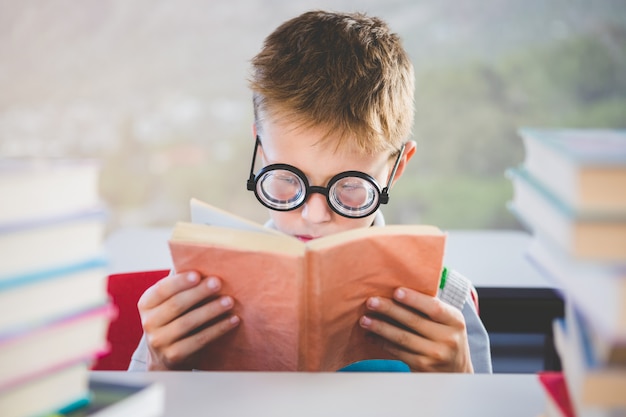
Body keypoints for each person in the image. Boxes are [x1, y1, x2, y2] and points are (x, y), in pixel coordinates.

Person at [129, 10, 492, 373]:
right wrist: (160, 368)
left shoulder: (447, 306)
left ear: (397, 168)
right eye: (287, 179)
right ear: (260, 151)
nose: (315, 214)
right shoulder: (192, 298)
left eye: (350, 187)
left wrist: (458, 376)